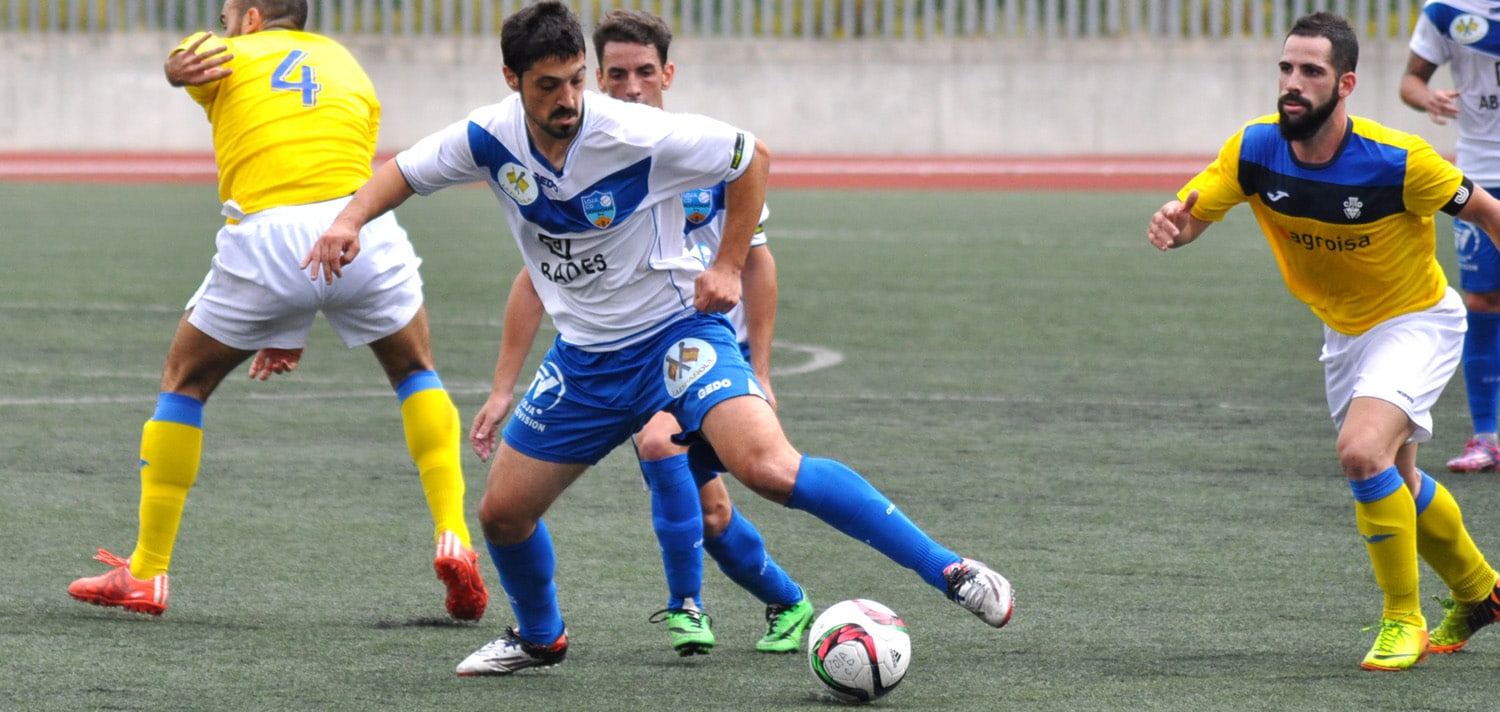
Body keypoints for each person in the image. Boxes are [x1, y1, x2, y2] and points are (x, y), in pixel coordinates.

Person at [302, 0, 1014, 677]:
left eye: (576, 80)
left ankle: (949, 570)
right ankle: (540, 637)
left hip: (676, 340)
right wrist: (347, 221)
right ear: (512, 81)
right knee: (502, 514)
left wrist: (729, 263)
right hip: (583, 360)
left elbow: (752, 156)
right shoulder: (487, 138)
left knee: (768, 468)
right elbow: (399, 173)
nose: (569, 100)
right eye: (549, 86)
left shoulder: (631, 133)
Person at [65, 0, 488, 623]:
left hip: (265, 240)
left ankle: (148, 572)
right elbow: (320, 178)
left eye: (230, 14)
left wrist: (174, 67)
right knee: (415, 372)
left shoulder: (227, 51)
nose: (226, 23)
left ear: (254, 17)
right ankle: (454, 533)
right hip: (362, 228)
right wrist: (295, 318)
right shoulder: (348, 66)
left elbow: (186, 63)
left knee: (185, 382)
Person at [1147, 11, 1500, 671]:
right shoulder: (1253, 150)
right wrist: (1177, 222)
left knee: (1362, 453)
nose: (1293, 82)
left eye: (1311, 71)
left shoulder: (1399, 161)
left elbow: (1487, 213)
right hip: (1344, 335)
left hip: (1417, 320)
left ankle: (1404, 619)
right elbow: (1195, 213)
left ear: (1345, 85)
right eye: (1286, 68)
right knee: (1397, 475)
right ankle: (1481, 593)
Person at [465, 8, 811, 657]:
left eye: (643, 72)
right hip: (627, 349)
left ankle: (687, 606)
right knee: (709, 515)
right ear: (596, 77)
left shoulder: (704, 151)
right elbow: (532, 281)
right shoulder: (599, 152)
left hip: (700, 349)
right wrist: (500, 387)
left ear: (668, 74)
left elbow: (758, 263)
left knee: (663, 446)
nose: (629, 86)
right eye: (616, 74)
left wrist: (759, 369)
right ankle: (787, 600)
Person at [1401, 0, 1500, 473]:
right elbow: (1410, 81)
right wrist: (1429, 98)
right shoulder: (1446, 10)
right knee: (1482, 301)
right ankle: (1486, 437)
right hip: (1480, 172)